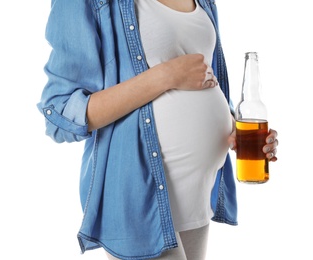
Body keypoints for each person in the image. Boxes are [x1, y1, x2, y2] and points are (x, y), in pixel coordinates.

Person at [37, 0, 278, 259]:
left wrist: (236, 128)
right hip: (138, 196)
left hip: (198, 194)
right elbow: (59, 113)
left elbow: (204, 76)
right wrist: (164, 75)